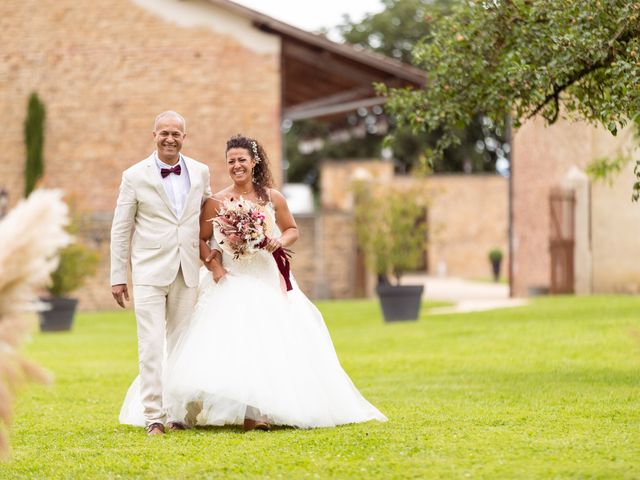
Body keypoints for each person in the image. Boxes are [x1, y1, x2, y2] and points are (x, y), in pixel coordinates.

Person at [161, 134, 387, 430]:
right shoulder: (216, 201)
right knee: (219, 341)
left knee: (266, 341)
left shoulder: (272, 198)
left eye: (242, 160)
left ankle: (257, 413)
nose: (237, 166)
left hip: (265, 275)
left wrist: (277, 240)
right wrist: (214, 265)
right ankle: (189, 409)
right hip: (230, 278)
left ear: (254, 162)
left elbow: (292, 229)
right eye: (231, 161)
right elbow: (200, 240)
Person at [111, 111, 212, 435]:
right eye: (164, 133)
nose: (170, 139)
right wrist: (118, 275)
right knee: (152, 344)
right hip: (149, 272)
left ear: (184, 137)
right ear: (154, 135)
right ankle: (154, 415)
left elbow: (208, 217)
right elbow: (121, 228)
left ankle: (178, 414)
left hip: (188, 270)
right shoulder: (134, 176)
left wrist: (221, 253)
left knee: (182, 344)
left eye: (176, 134)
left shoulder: (200, 172)